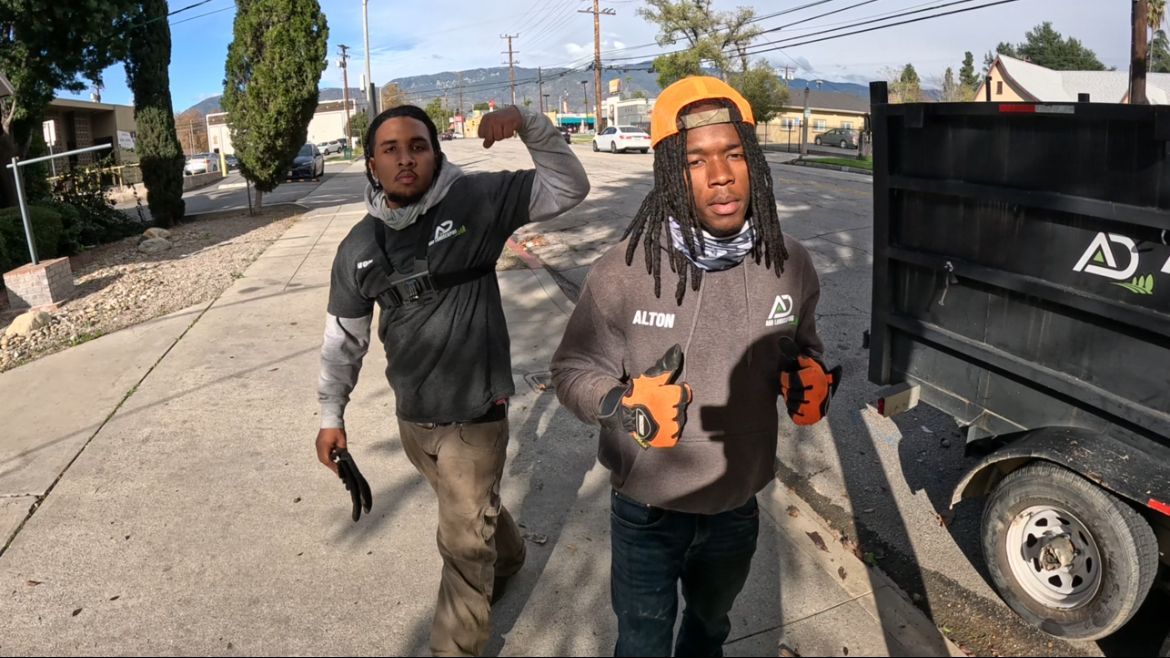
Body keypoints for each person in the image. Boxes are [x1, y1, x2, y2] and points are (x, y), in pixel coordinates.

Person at [550, 76, 840, 656]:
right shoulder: (623, 269)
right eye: (696, 160)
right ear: (669, 174)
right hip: (647, 513)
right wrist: (621, 405)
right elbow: (572, 369)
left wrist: (808, 378)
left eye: (735, 153)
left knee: (709, 633)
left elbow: (803, 347)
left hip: (736, 508)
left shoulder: (790, 263)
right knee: (642, 645)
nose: (722, 174)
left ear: (754, 161)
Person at [315, 103, 589, 656]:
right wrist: (330, 416)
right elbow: (343, 340)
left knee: (462, 545)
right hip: (413, 418)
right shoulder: (358, 248)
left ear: (436, 154)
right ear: (371, 165)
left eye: (417, 145)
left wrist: (529, 123)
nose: (405, 158)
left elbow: (568, 187)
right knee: (473, 512)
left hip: (474, 415)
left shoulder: (478, 200)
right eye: (389, 149)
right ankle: (509, 557)